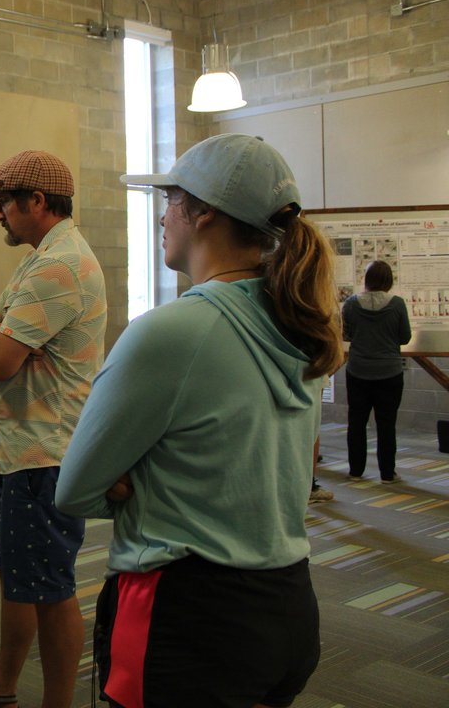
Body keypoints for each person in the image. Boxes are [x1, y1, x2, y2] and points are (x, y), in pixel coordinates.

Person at [57, 134, 344, 708]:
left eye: (170, 199)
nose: (163, 215)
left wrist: (133, 484)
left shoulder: (171, 332)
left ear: (203, 212)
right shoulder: (302, 324)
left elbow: (72, 488)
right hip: (287, 607)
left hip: (185, 618)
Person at [0, 151, 108, 708]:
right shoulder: (43, 256)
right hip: (24, 450)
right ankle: (3, 687)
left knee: (52, 589)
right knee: (21, 577)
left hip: (45, 456)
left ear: (37, 202)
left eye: (4, 203)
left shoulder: (56, 266)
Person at [343, 259, 411, 483]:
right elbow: (405, 337)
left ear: (367, 279)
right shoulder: (398, 304)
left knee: (356, 422)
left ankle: (355, 471)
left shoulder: (351, 304)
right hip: (389, 372)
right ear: (389, 280)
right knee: (386, 424)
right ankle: (387, 473)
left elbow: (346, 335)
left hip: (358, 370)